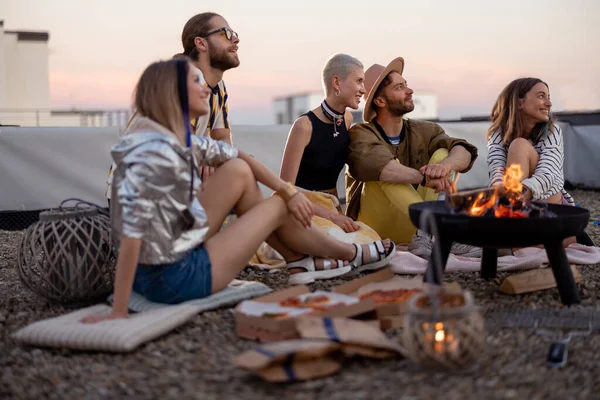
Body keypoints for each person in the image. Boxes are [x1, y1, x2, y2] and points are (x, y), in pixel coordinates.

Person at [82, 58, 395, 322]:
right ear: (172, 92)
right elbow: (132, 234)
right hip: (174, 278)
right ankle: (352, 253)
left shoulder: (174, 139)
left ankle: (297, 260)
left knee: (239, 171)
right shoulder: (152, 153)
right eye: (196, 80)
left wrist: (288, 190)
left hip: (176, 252)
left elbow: (241, 157)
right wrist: (119, 310)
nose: (207, 87)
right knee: (275, 206)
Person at [344, 57, 480, 257]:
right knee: (387, 172)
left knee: (443, 154)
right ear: (380, 101)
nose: (410, 91)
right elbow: (383, 168)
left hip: (417, 231)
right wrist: (425, 178)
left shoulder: (425, 129)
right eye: (400, 87)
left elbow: (464, 151)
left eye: (406, 84)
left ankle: (430, 232)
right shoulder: (360, 133)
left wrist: (445, 166)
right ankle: (441, 231)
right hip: (375, 229)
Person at [104, 12, 239, 204]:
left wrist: (216, 158)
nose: (236, 39)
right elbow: (183, 144)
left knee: (237, 172)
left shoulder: (218, 87)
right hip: (142, 197)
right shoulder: (184, 79)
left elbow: (223, 137)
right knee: (239, 175)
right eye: (226, 33)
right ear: (201, 43)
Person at [486, 77, 591, 248]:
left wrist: (520, 193)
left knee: (519, 145)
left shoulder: (552, 131)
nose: (549, 104)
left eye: (549, 97)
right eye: (541, 96)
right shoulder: (498, 133)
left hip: (549, 207)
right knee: (515, 150)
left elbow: (549, 174)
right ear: (519, 102)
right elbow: (496, 168)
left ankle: (521, 238)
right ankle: (522, 236)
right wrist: (501, 193)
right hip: (518, 204)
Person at [279, 54, 365, 233]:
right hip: (303, 210)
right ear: (336, 82)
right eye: (358, 81)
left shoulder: (347, 119)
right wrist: (332, 217)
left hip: (333, 207)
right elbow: (285, 190)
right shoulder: (304, 126)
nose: (363, 89)